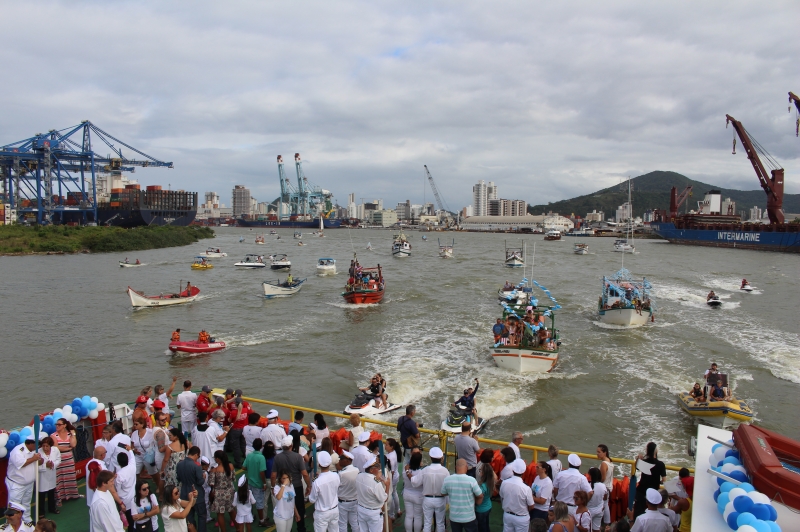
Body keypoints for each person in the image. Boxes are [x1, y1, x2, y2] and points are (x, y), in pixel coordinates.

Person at [272, 435, 312, 532]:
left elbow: (273, 475)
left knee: (285, 507)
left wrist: (273, 487)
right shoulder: (297, 457)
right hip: (297, 486)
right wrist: (309, 486)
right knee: (300, 509)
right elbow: (305, 474)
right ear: (291, 445)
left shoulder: (277, 457)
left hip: (283, 487)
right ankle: (301, 528)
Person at [411, 447, 450, 532]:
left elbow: (415, 482)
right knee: (440, 523)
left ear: (430, 457)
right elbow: (448, 487)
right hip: (440, 499)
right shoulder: (445, 471)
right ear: (441, 458)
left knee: (427, 523)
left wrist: (407, 472)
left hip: (428, 499)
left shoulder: (425, 470)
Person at [6, 435, 43, 522]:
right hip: (17, 484)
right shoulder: (17, 451)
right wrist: (34, 458)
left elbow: (38, 463)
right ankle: (11, 525)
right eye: (37, 444)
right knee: (14, 506)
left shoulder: (34, 451)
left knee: (26, 503)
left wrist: (40, 460)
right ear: (30, 443)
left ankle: (27, 521)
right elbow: (21, 464)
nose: (38, 446)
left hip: (28, 484)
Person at [441, 458, 483, 532]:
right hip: (469, 517)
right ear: (466, 467)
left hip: (454, 517)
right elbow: (480, 495)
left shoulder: (447, 479)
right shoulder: (471, 480)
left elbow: (443, 493)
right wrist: (477, 503)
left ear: (455, 467)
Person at [355, 456, 390, 532]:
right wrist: (387, 485)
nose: (378, 469)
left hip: (361, 509)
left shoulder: (359, 476)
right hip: (373, 513)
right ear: (371, 470)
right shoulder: (376, 484)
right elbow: (385, 499)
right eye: (377, 467)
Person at [632, 443, 666, 519]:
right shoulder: (661, 464)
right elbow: (664, 479)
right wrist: (659, 482)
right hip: (653, 491)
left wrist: (638, 459)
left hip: (641, 490)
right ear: (655, 451)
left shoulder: (644, 462)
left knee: (638, 513)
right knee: (652, 513)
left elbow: (636, 467)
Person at [177, 446, 207, 532]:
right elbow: (200, 482)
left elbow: (178, 479)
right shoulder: (196, 466)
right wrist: (203, 477)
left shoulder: (179, 464)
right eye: (198, 456)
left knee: (189, 517)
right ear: (196, 454)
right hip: (196, 494)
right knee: (201, 515)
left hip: (184, 493)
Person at [498, 459, 534, 532]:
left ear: (513, 470)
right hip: (521, 518)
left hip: (507, 515)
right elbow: (531, 506)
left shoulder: (504, 483)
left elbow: (502, 497)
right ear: (523, 472)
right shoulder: (526, 488)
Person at [309, 451, 341, 532]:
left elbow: (312, 500)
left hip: (322, 513)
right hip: (334, 509)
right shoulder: (336, 476)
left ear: (319, 465)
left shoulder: (317, 482)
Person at [53, 419, 80, 504]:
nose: (57, 426)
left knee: (70, 476)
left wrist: (73, 434)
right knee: (59, 479)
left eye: (59, 424)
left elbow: (73, 444)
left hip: (69, 460)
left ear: (64, 425)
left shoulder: (69, 434)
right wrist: (67, 449)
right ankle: (60, 498)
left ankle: (72, 494)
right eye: (56, 424)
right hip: (59, 460)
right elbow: (56, 447)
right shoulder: (53, 435)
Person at [243, 438, 268, 526]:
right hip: (258, 483)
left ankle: (251, 516)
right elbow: (262, 471)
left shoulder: (249, 455)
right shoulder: (261, 457)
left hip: (250, 482)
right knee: (259, 503)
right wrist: (264, 483)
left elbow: (244, 467)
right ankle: (261, 520)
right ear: (261, 446)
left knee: (250, 501)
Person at [209, 449, 237, 529]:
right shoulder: (230, 466)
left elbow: (211, 483)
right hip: (229, 491)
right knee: (232, 511)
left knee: (220, 514)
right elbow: (233, 478)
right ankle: (238, 529)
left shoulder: (215, 470)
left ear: (218, 459)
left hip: (219, 494)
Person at [36, 436, 61, 519]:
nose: (45, 448)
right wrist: (45, 466)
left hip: (51, 474)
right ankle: (41, 512)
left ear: (50, 446)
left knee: (51, 493)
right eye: (43, 446)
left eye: (47, 446)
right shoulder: (38, 453)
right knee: (41, 495)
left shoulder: (55, 450)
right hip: (42, 477)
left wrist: (53, 464)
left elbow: (58, 460)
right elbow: (35, 467)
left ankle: (52, 508)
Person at [227, 396, 253, 468]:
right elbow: (251, 412)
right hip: (244, 430)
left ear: (235, 404)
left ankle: (238, 463)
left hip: (235, 430)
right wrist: (250, 407)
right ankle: (246, 459)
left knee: (236, 447)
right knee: (243, 445)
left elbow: (229, 420)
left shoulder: (233, 412)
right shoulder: (245, 410)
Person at [402, 451, 424, 532]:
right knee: (418, 516)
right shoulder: (421, 472)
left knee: (408, 516)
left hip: (407, 493)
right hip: (418, 496)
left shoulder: (405, 469)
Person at [86, 446, 107, 528]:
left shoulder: (89, 463)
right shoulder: (100, 466)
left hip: (92, 499)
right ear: (102, 455)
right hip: (101, 498)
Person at [114, 453, 136, 528]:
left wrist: (120, 503)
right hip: (134, 498)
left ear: (118, 462)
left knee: (129, 523)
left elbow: (118, 491)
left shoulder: (119, 475)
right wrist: (129, 449)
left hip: (125, 502)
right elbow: (132, 457)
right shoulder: (133, 466)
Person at [475, 452, 495, 532]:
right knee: (486, 525)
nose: (480, 472)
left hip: (481, 510)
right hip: (488, 506)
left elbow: (479, 501)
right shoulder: (490, 482)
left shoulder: (482, 487)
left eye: (481, 471)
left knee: (481, 528)